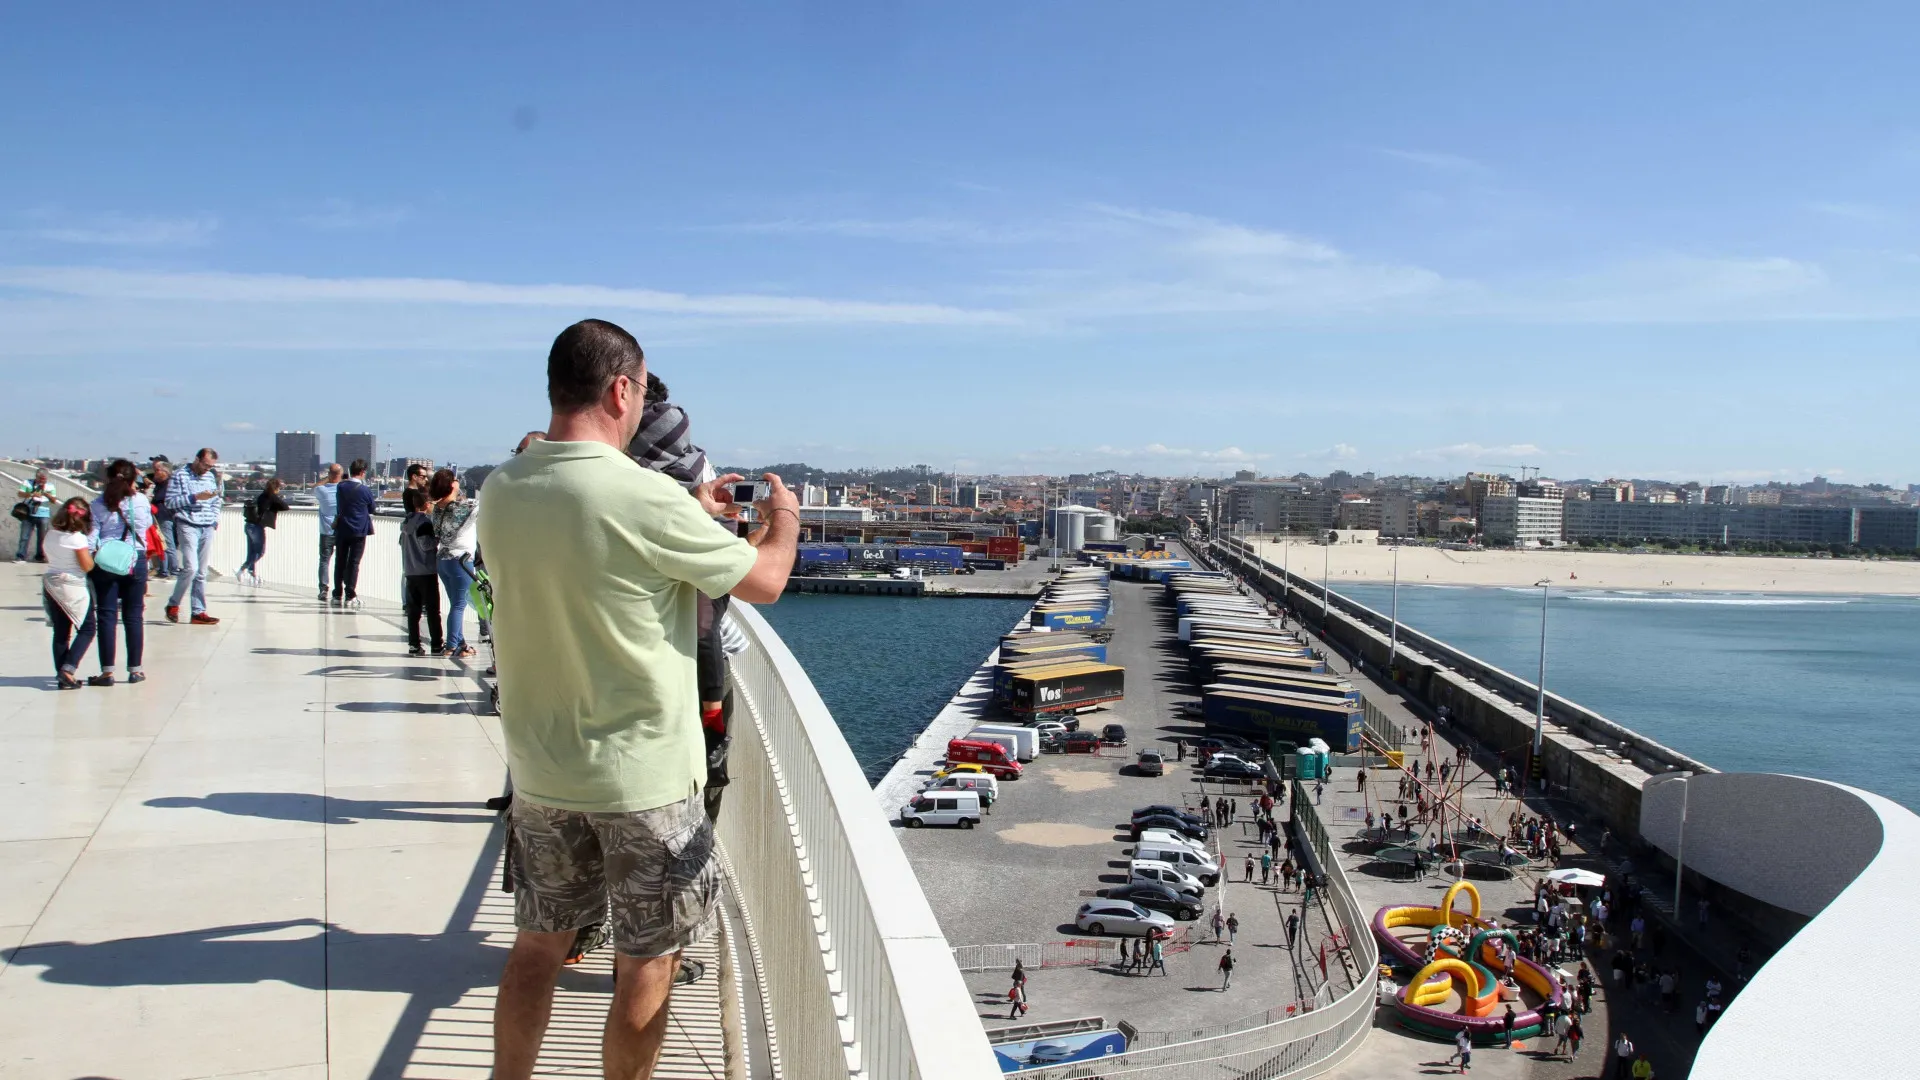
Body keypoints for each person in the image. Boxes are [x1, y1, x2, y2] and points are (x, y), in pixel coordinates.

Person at [481, 319, 799, 1080]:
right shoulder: (644, 497)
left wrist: (693, 509)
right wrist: (783, 516)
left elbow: (593, 542)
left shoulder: (503, 487)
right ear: (622, 389)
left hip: (541, 770)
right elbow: (767, 580)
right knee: (647, 961)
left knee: (536, 949)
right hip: (642, 778)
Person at [86, 460, 153, 686]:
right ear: (133, 479)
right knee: (134, 615)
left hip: (106, 560)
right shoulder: (140, 500)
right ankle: (135, 670)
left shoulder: (98, 503)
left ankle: (107, 672)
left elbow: (92, 536)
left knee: (106, 615)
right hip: (135, 558)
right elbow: (146, 525)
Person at [41, 497, 97, 688]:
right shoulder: (77, 539)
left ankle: (62, 675)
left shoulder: (50, 534)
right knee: (88, 628)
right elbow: (87, 566)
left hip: (51, 583)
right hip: (72, 586)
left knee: (61, 632)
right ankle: (68, 669)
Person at [164, 447, 223, 625]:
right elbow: (170, 502)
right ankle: (174, 603)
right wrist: (194, 497)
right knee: (191, 567)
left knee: (202, 572)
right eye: (205, 465)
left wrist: (214, 518)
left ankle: (198, 611)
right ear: (197, 460)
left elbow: (216, 500)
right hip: (188, 523)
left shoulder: (210, 476)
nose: (207, 469)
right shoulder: (179, 475)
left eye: (210, 466)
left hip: (207, 526)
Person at [430, 468, 480, 657]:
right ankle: (452, 646)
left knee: (455, 603)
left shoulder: (437, 509)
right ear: (451, 484)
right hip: (461, 560)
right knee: (459, 605)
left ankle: (461, 643)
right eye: (455, 479)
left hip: (443, 559)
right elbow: (485, 507)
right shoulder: (465, 506)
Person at [400, 488, 444, 657]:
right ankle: (437, 645)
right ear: (426, 505)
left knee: (413, 612)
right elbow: (426, 545)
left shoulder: (406, 523)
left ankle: (414, 644)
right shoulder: (424, 523)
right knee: (433, 610)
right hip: (426, 571)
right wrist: (438, 539)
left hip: (410, 571)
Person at [329, 459, 378, 607]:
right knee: (354, 562)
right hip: (359, 530)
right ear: (363, 472)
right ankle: (350, 594)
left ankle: (337, 594)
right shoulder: (364, 490)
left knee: (340, 561)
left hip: (342, 528)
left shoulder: (341, 487)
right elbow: (372, 508)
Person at [239, 478, 290, 583]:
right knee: (260, 551)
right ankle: (242, 569)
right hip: (257, 527)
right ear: (276, 488)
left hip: (249, 525)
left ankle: (252, 573)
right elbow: (285, 506)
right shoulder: (272, 497)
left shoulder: (262, 495)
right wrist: (276, 505)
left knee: (251, 551)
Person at [313, 463, 341, 600]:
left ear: (329, 474)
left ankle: (323, 589)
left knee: (324, 560)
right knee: (341, 561)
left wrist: (327, 478)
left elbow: (315, 486)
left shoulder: (322, 490)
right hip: (341, 531)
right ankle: (339, 590)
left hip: (326, 531)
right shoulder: (343, 490)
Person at [15, 468, 56, 562]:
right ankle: (21, 556)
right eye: (40, 479)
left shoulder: (50, 486)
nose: (42, 481)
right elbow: (20, 494)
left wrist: (45, 493)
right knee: (24, 536)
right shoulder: (27, 482)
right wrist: (31, 494)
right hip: (28, 513)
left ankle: (40, 556)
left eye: (44, 479)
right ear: (36, 476)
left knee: (42, 537)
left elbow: (53, 500)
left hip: (43, 514)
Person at [148, 460, 177, 578]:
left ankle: (173, 569)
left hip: (165, 516)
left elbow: (161, 497)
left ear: (165, 472)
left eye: (157, 470)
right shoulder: (159, 484)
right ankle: (163, 570)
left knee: (168, 544)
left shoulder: (169, 484)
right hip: (158, 516)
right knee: (160, 543)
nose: (155, 472)